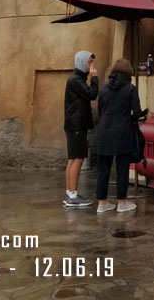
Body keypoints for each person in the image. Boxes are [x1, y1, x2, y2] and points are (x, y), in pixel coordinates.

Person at [94, 58, 145, 214]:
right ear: (128, 72)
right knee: (122, 168)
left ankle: (102, 204)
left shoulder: (103, 90)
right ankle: (122, 202)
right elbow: (136, 112)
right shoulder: (130, 89)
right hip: (123, 133)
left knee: (103, 169)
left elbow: (100, 112)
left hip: (104, 133)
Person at [64, 50, 98, 208]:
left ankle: (71, 192)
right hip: (77, 125)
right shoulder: (76, 80)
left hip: (74, 124)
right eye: (89, 62)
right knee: (77, 158)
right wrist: (95, 78)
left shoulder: (77, 79)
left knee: (73, 158)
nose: (91, 66)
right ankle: (72, 194)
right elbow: (92, 94)